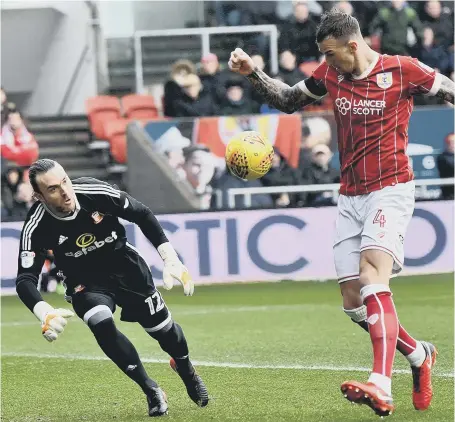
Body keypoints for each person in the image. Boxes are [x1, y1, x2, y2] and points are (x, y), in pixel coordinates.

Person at [228, 8, 454, 417]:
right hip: (350, 196)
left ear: (353, 44)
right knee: (354, 302)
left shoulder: (403, 70)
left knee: (372, 277)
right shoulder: (332, 75)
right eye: (324, 56)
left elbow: (448, 90)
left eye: (332, 54)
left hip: (391, 190)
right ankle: (420, 355)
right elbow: (287, 100)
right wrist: (251, 72)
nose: (327, 63)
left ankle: (381, 384)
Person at [15, 159, 209, 417]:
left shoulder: (95, 193)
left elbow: (142, 214)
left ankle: (185, 369)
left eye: (65, 181)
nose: (65, 191)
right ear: (39, 196)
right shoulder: (36, 226)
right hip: (84, 280)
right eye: (53, 189)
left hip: (126, 267)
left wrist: (170, 258)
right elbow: (25, 279)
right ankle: (150, 388)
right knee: (100, 322)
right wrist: (44, 311)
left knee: (165, 332)